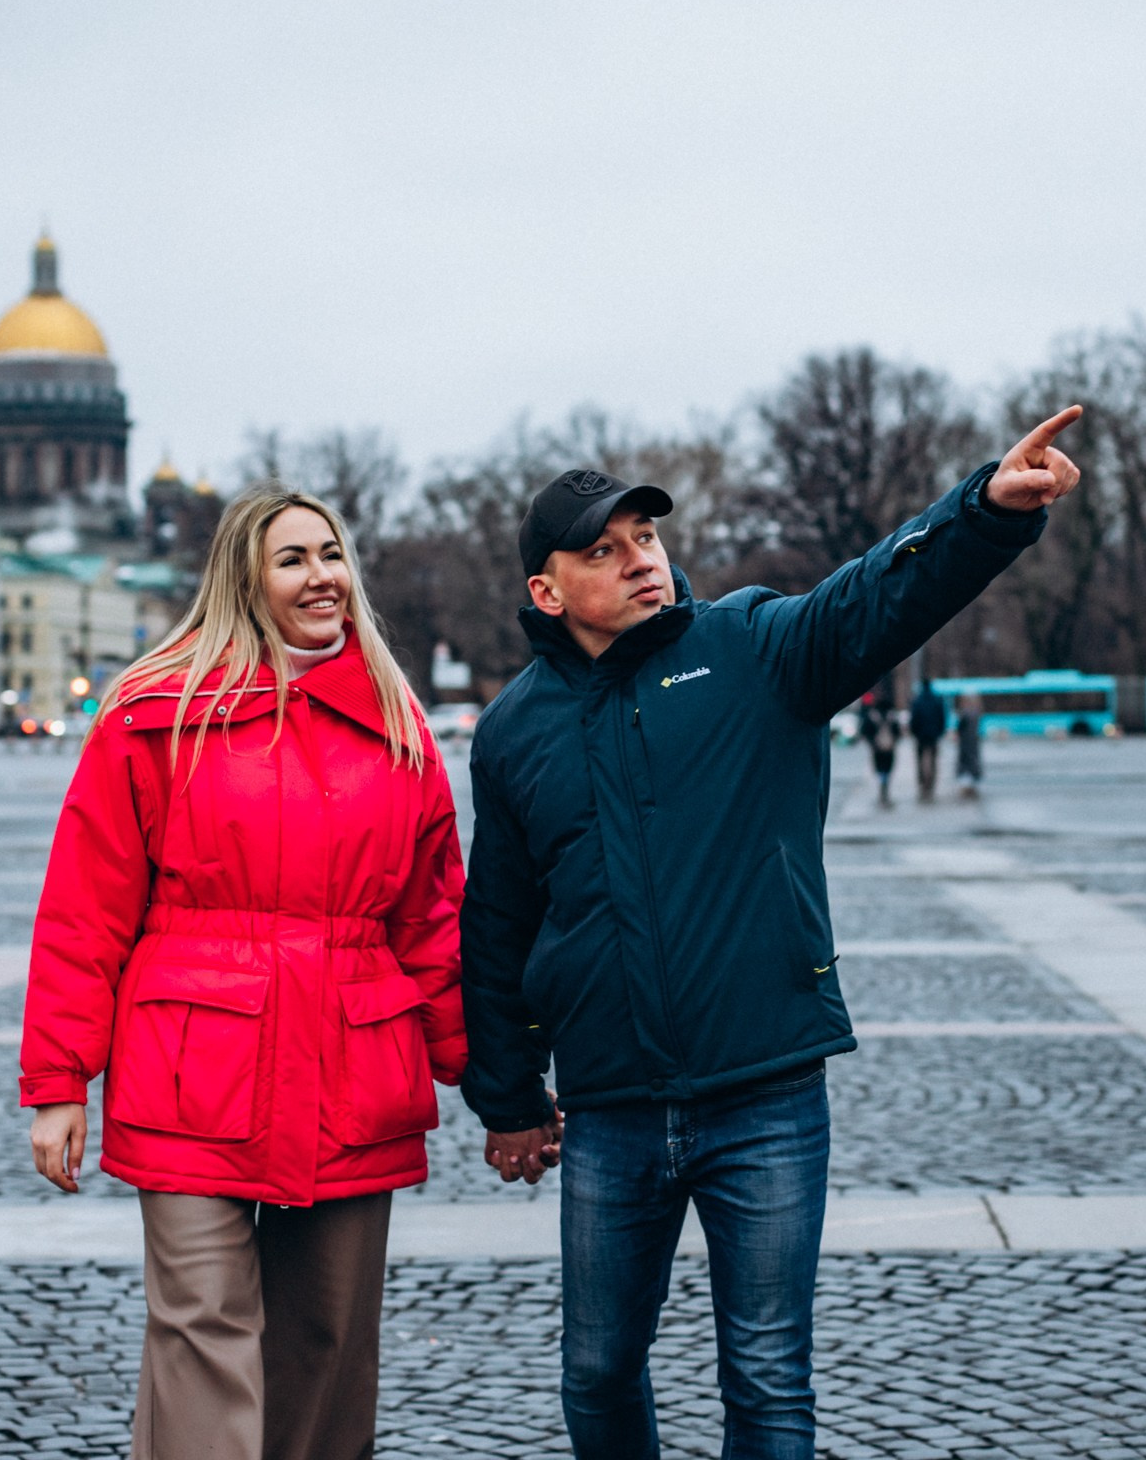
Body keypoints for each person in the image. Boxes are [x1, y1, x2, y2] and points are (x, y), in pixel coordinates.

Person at [461, 409, 1083, 1460]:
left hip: (766, 1093)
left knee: (765, 1374)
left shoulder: (751, 646)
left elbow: (879, 594)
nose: (640, 562)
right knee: (598, 1368)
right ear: (547, 590)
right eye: (603, 552)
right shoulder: (514, 728)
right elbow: (500, 922)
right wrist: (511, 1096)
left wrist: (982, 510)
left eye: (646, 538)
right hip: (610, 1111)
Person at [19, 484, 465, 1460]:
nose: (323, 578)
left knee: (327, 1338)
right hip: (193, 1067)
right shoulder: (153, 714)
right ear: (243, 578)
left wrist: (484, 1067)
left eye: (332, 555)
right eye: (295, 558)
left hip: (354, 1063)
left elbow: (431, 915)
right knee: (202, 1330)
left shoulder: (397, 724)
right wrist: (58, 1083)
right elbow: (85, 910)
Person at [857, 689, 900, 808]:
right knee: (888, 769)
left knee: (879, 769)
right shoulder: (892, 716)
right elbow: (897, 732)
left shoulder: (872, 715)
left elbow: (865, 731)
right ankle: (885, 788)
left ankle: (882, 787)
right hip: (889, 748)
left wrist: (872, 743)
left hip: (877, 748)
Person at [908, 679, 948, 802]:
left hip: (920, 736)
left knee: (920, 761)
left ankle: (921, 784)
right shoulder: (937, 700)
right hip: (934, 735)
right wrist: (940, 732)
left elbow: (914, 719)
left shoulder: (917, 701)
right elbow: (942, 718)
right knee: (933, 761)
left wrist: (914, 733)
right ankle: (931, 784)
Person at [953, 687, 984, 798]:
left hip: (965, 744)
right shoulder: (977, 713)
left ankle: (966, 786)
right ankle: (973, 785)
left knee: (964, 764)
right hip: (974, 743)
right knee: (973, 762)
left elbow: (959, 729)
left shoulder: (964, 714)